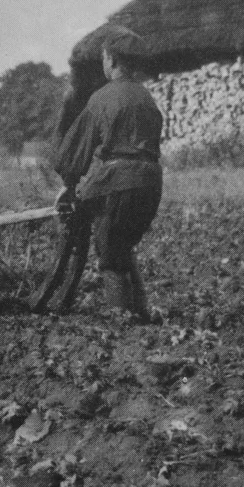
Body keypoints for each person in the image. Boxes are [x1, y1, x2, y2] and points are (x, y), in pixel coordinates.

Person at [50, 40, 164, 321]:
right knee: (122, 245)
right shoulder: (146, 98)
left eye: (103, 59)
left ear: (111, 61)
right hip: (151, 184)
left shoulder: (102, 97)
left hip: (119, 181)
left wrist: (69, 183)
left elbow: (76, 149)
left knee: (110, 254)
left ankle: (122, 318)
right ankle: (143, 312)